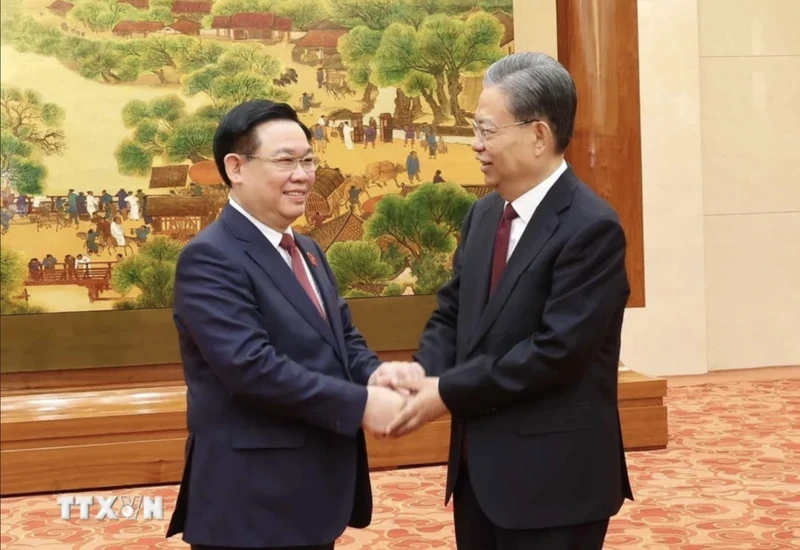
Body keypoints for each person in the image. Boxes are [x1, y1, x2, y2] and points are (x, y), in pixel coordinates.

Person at [383, 52, 634, 549]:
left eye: (486, 130)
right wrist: (421, 372)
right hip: (479, 478)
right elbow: (452, 313)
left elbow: (556, 353)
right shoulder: (481, 216)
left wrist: (447, 391)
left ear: (538, 135)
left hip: (555, 484)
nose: (475, 145)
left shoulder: (591, 228)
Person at [166, 99, 423, 550]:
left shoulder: (305, 249)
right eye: (285, 161)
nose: (303, 175)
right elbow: (251, 368)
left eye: (308, 160)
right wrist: (362, 402)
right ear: (236, 167)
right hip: (251, 503)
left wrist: (375, 372)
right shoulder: (210, 256)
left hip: (309, 490)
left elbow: (341, 336)